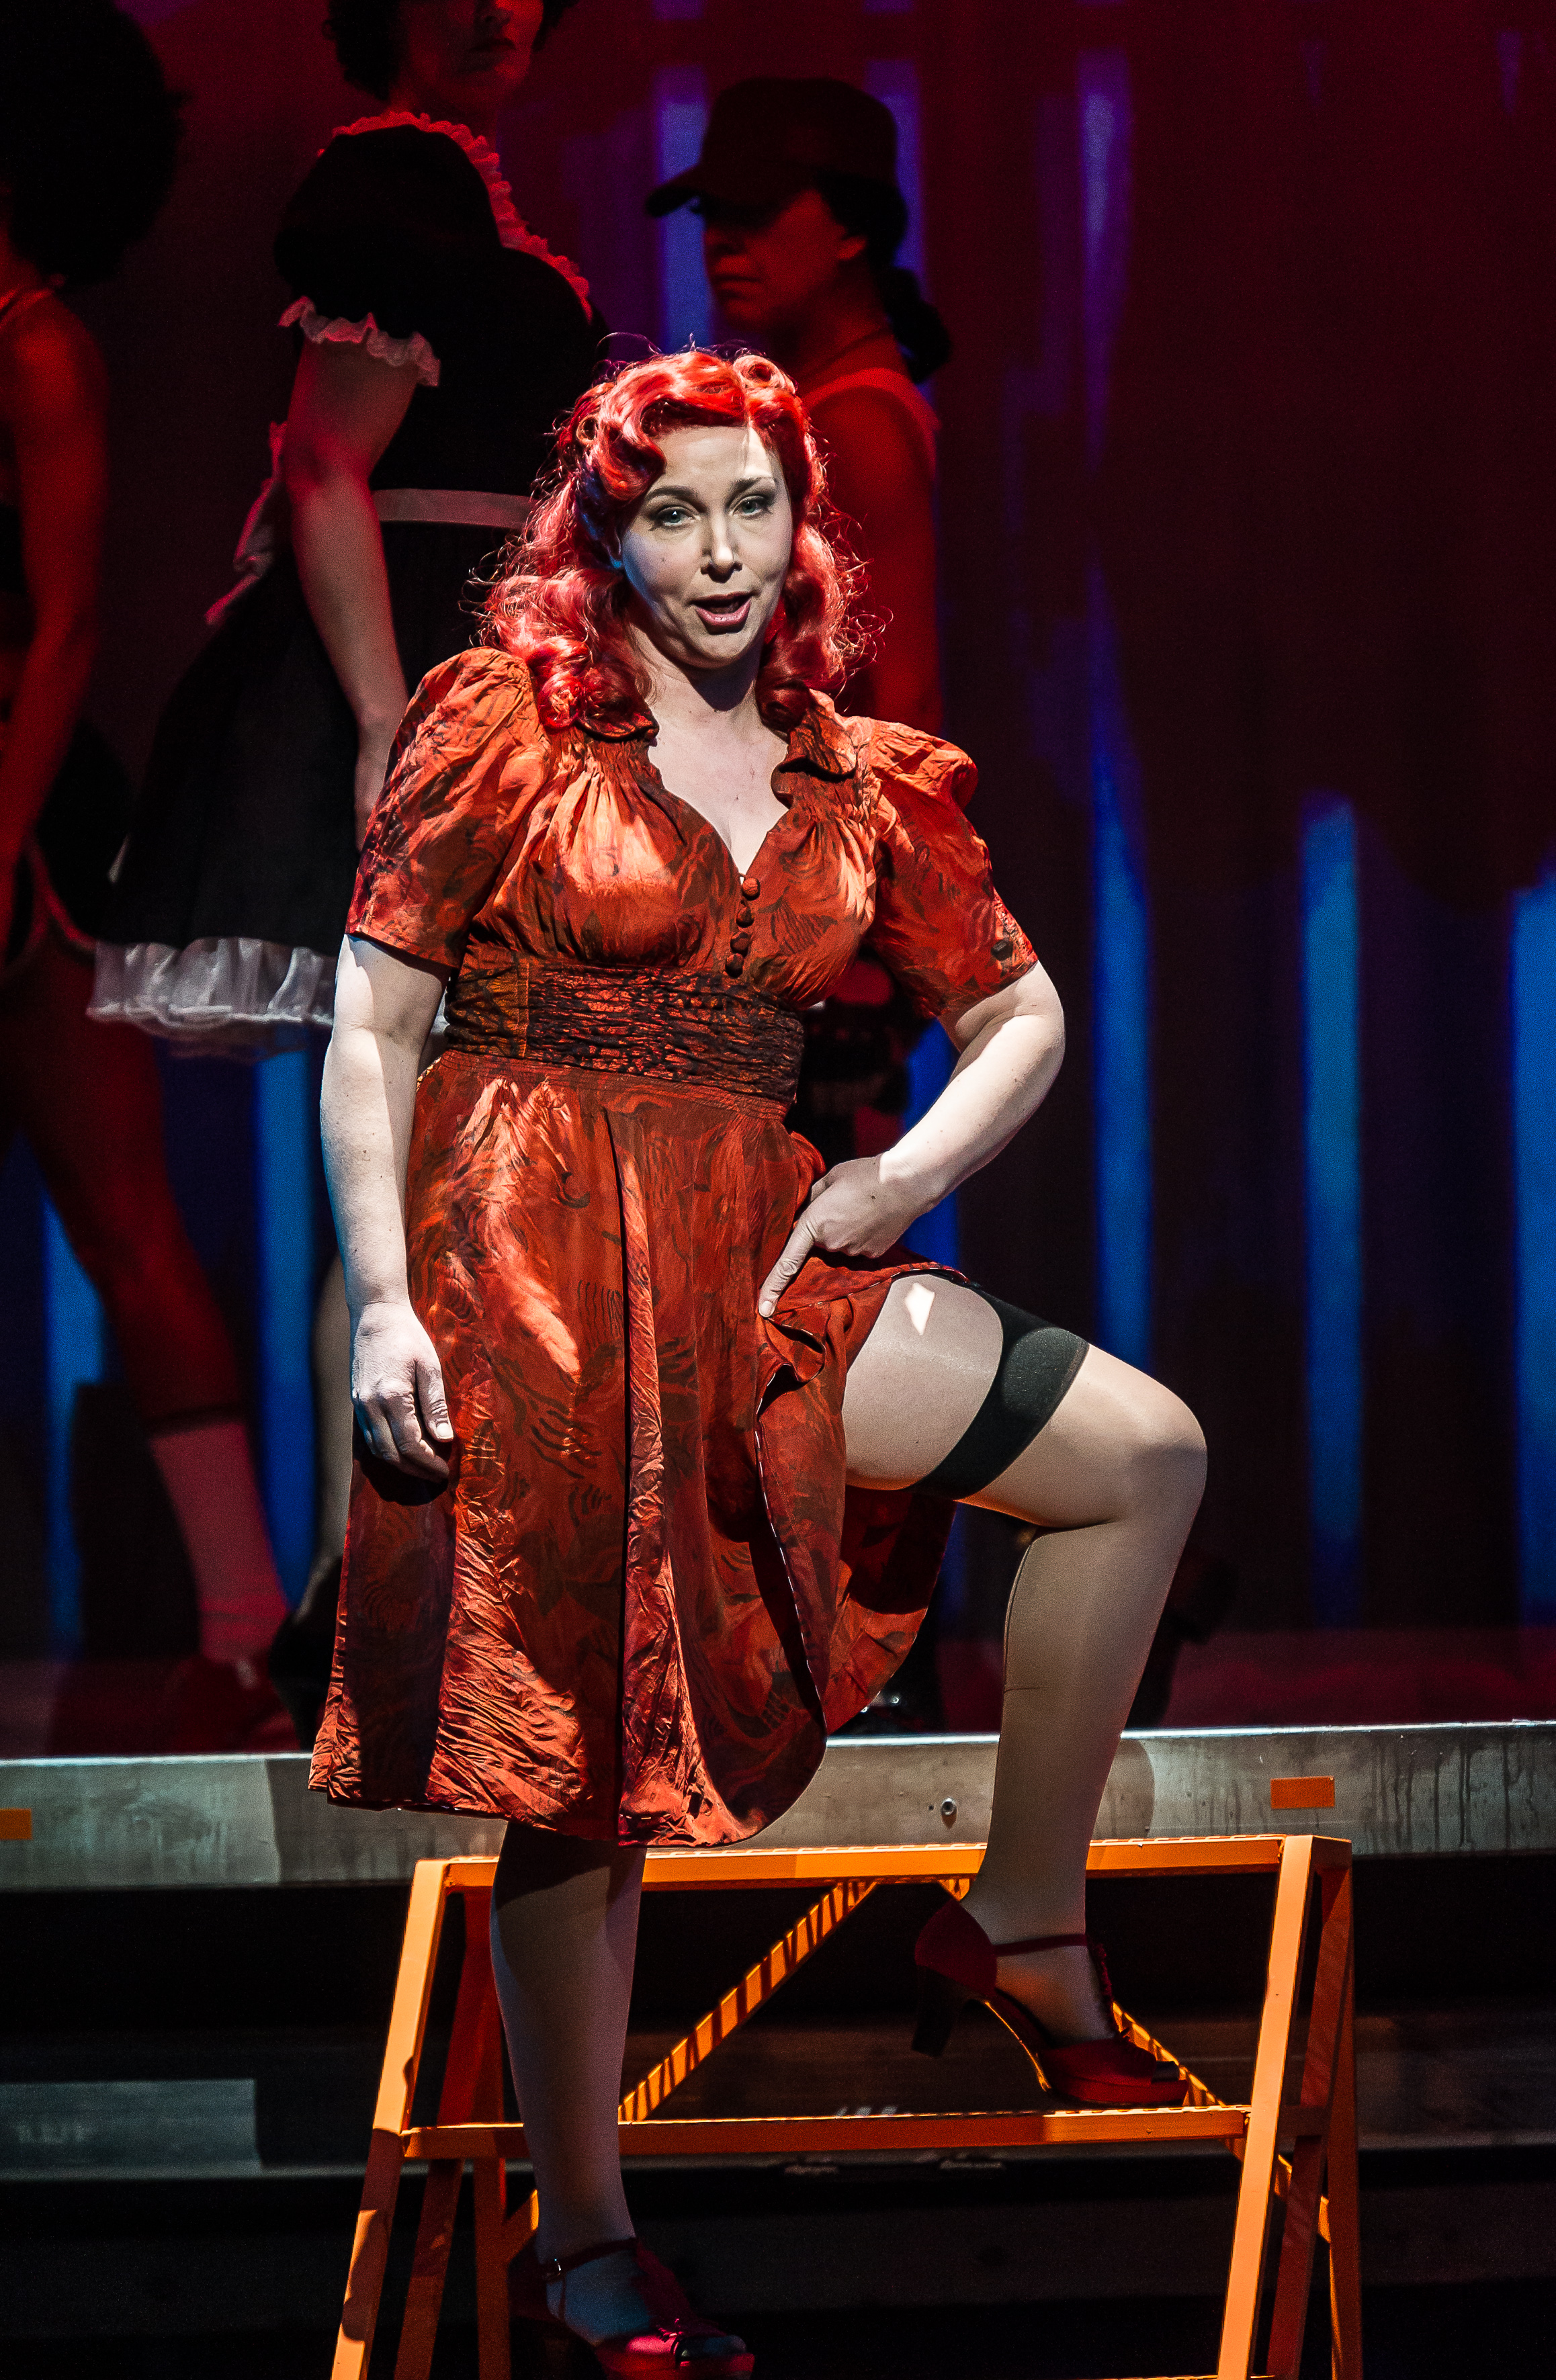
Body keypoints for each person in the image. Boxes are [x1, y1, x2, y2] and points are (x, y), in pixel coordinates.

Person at [314, 349, 1206, 2370]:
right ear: (606, 534)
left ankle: (1023, 1921)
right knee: (580, 1774)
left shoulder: (854, 772)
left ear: (803, 525)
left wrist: (900, 1176)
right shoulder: (506, 724)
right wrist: (380, 1295)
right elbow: (372, 1023)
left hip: (759, 1255)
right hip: (532, 1266)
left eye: (754, 507)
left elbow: (1023, 1013)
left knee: (1138, 1457)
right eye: (672, 513)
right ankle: (587, 2241)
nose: (720, 553)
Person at [93, 0, 604, 1739]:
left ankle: (380, 1588)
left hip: (475, 683)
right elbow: (320, 463)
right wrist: (397, 725)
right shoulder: (395, 179)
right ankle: (361, 1599)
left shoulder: (450, 185)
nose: (493, 8)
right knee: (417, 1153)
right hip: (412, 693)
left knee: (434, 1155)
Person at [0, 0, 293, 1745]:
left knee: (122, 1216)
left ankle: (246, 1629)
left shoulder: (37, 349)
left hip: (28, 821)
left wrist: (1, 842)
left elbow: (66, 626)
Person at [652, 78, 957, 1722]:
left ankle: (859, 1650)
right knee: (773, 1278)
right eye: (708, 210)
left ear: (846, 225)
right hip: (789, 904)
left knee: (807, 1288)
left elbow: (899, 697)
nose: (723, 240)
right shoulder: (813, 412)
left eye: (756, 209)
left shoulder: (861, 420)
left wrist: (871, 933)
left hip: (825, 919)